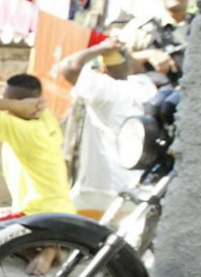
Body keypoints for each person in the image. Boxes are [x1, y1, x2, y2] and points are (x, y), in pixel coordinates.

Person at [0, 75, 76, 274]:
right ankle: (45, 247)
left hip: (39, 214)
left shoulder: (22, 129)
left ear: (22, 104)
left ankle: (47, 247)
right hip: (63, 211)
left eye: (7, 98)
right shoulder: (47, 120)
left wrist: (10, 104)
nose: (3, 101)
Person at [60, 39, 157, 216]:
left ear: (103, 71)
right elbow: (134, 68)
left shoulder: (106, 91)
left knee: (85, 241)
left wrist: (101, 48)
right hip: (138, 191)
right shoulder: (145, 86)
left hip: (101, 194)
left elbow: (69, 67)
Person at [122, 0, 194, 85]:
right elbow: (118, 57)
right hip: (152, 95)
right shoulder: (143, 26)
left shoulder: (199, 25)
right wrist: (149, 55)